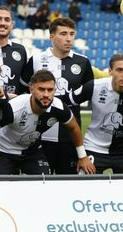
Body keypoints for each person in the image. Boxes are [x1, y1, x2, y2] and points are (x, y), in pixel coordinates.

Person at [0, 69, 95, 176]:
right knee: (1, 185)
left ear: (55, 90)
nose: (46, 94)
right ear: (31, 89)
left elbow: (74, 128)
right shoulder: (14, 108)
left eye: (50, 90)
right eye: (41, 89)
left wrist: (82, 156)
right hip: (4, 148)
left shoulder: (59, 107)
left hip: (31, 150)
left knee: (43, 184)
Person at [21, 17, 93, 174]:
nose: (69, 38)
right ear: (52, 37)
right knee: (38, 184)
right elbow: (23, 91)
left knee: (67, 185)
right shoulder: (36, 60)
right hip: (38, 135)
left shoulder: (83, 62)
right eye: (63, 34)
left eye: (72, 34)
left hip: (69, 136)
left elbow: (88, 93)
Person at [68, 54, 123, 174]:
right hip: (93, 147)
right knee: (86, 188)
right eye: (119, 70)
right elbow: (67, 100)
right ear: (110, 71)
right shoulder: (94, 86)